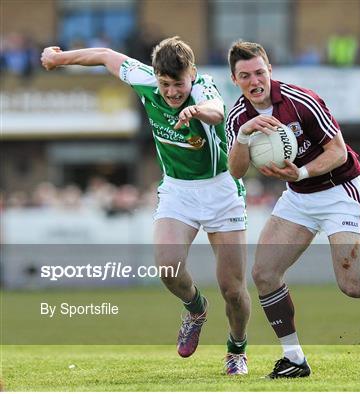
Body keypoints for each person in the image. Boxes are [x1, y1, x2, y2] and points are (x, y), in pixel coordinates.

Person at [226, 40, 360, 379]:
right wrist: (242, 137)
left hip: (339, 191)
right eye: (244, 76)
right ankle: (294, 359)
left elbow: (339, 152)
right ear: (234, 79)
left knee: (354, 285)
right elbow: (236, 171)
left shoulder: (301, 101)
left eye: (258, 72)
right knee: (264, 274)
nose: (254, 81)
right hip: (298, 197)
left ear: (269, 70)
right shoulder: (239, 117)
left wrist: (301, 171)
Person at [40, 37, 251, 375]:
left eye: (178, 84)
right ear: (155, 76)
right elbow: (105, 55)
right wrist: (59, 58)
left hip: (221, 190)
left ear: (192, 74)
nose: (171, 92)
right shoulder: (144, 78)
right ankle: (196, 309)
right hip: (178, 190)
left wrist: (196, 109)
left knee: (233, 288)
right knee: (167, 267)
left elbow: (217, 112)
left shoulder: (204, 88)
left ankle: (237, 349)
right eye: (165, 84)